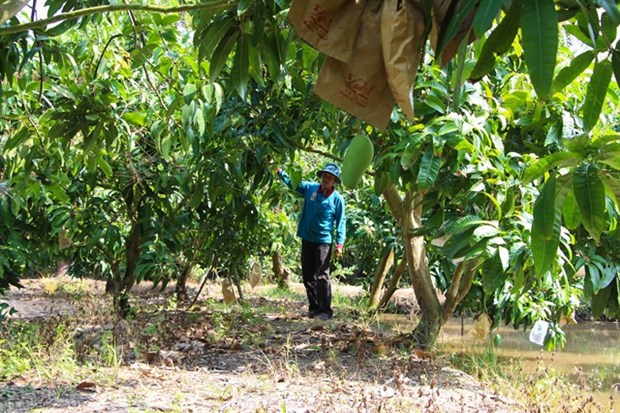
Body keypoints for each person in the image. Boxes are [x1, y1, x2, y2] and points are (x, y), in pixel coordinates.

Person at [276, 162, 346, 320]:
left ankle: (325, 310)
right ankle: (313, 308)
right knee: (308, 275)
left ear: (335, 181)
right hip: (307, 238)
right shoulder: (310, 189)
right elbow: (293, 183)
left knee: (322, 276)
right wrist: (279, 171)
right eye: (325, 176)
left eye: (330, 177)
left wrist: (340, 244)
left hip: (323, 241)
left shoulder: (337, 199)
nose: (326, 179)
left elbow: (341, 222)